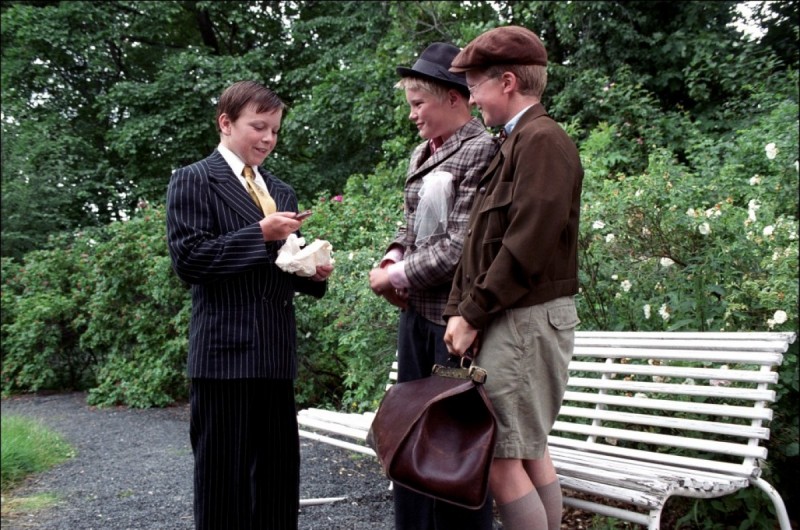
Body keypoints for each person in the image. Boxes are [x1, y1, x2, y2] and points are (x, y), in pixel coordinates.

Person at [166, 80, 333, 530]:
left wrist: (311, 272)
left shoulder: (281, 190)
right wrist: (260, 232)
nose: (268, 139)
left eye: (275, 130)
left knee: (278, 482)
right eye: (258, 127)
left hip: (275, 354)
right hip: (223, 356)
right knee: (223, 485)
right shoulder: (193, 180)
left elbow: (281, 265)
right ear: (225, 123)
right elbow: (190, 260)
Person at [443, 26, 584, 530]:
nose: (471, 99)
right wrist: (459, 311)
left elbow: (527, 245)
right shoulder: (517, 141)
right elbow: (480, 244)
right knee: (526, 452)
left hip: (524, 318)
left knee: (503, 458)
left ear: (506, 82)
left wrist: (471, 313)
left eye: (474, 87)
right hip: (514, 316)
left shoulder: (542, 141)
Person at [368, 42, 498, 530]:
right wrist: (390, 259)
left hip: (455, 324)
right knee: (410, 434)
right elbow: (410, 226)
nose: (412, 115)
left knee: (451, 445)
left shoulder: (482, 149)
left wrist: (394, 277)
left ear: (453, 97)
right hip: (415, 319)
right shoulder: (422, 152)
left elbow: (461, 246)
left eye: (418, 104)